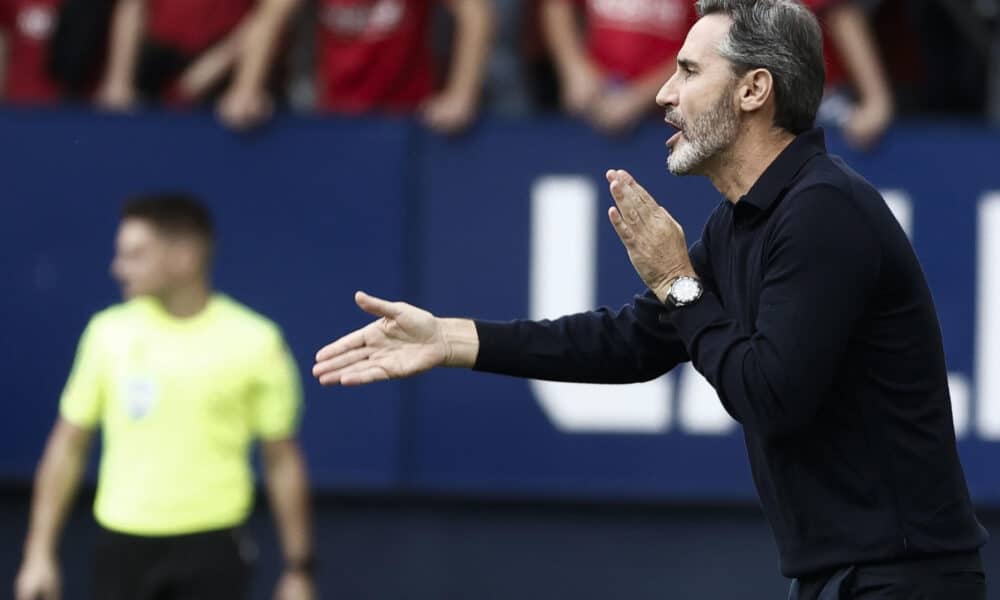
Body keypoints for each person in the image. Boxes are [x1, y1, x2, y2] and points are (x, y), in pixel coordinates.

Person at [312, 1, 988, 598]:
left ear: (755, 89)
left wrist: (676, 282)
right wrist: (450, 340)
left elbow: (770, 397)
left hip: (904, 578)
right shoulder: (743, 221)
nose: (665, 94)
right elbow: (629, 342)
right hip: (845, 575)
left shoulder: (824, 213)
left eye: (690, 72)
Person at [14, 195, 315, 600]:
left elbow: (282, 461)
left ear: (184, 257)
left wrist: (298, 569)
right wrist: (38, 553)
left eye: (135, 254)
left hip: (214, 549)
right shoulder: (106, 334)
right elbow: (67, 448)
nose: (118, 267)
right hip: (120, 548)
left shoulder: (257, 341)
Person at [96, 0, 300, 130]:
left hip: (228, 73)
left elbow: (271, 14)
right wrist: (119, 81)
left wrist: (242, 85)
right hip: (160, 66)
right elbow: (132, 6)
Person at [315, 0, 494, 135]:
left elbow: (475, 15)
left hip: (409, 119)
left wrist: (461, 95)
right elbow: (285, 8)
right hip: (334, 116)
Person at [539, 0, 697, 135]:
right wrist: (574, 68)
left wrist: (638, 98)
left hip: (671, 120)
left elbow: (708, 42)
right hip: (592, 106)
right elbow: (557, 6)